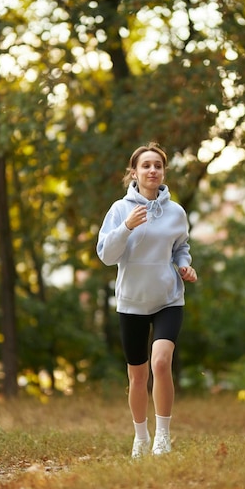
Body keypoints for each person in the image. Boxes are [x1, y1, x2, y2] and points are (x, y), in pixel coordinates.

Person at [96, 142, 197, 458]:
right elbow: (106, 256)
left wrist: (184, 265)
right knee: (138, 377)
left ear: (163, 172)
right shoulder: (120, 210)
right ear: (134, 173)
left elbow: (181, 247)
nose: (153, 170)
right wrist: (126, 227)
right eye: (146, 165)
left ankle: (162, 437)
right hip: (132, 302)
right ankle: (141, 436)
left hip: (168, 298)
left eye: (158, 166)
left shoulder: (176, 212)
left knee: (161, 361)